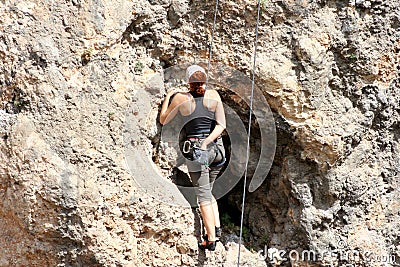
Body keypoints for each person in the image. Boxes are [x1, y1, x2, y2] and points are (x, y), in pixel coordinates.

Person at [159, 65, 226, 251]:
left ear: (189, 81)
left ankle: (211, 239)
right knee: (208, 190)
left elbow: (163, 120)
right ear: (205, 80)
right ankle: (217, 228)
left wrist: (167, 98)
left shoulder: (181, 98)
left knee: (203, 195)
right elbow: (221, 125)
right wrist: (209, 141)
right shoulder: (214, 96)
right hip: (218, 152)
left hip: (198, 152)